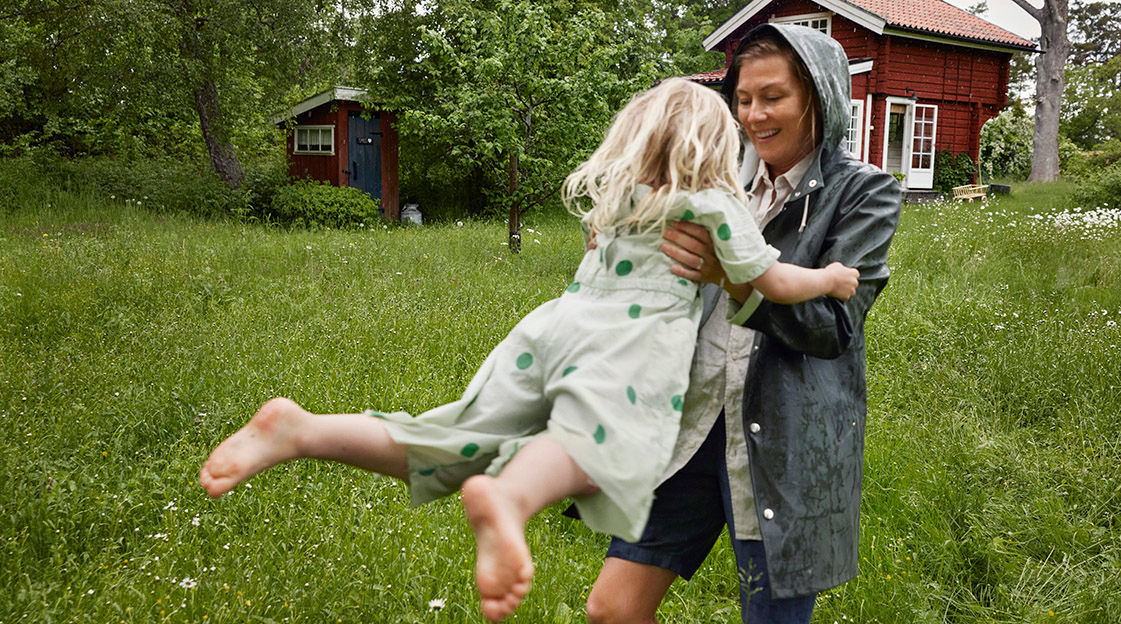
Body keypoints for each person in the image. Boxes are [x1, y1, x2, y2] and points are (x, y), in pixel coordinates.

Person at [198, 78, 861, 623]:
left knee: (456, 435)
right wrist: (830, 278)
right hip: (625, 352)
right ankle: (511, 499)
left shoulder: (616, 199)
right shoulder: (715, 201)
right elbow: (774, 281)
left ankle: (301, 430)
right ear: (714, 144)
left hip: (549, 330)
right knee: (604, 447)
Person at [584, 25, 901, 624]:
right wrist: (613, 233)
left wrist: (730, 279)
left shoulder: (863, 193)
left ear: (820, 98)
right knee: (613, 609)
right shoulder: (712, 173)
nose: (754, 114)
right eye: (744, 99)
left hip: (784, 443)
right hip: (693, 423)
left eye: (773, 97)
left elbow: (833, 326)